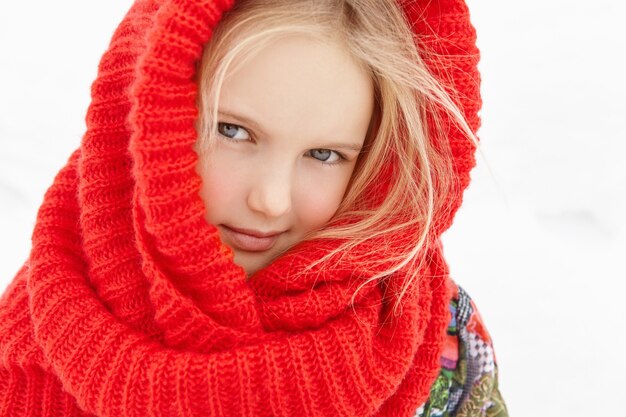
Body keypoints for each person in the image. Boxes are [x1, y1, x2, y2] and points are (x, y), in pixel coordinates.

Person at [0, 0, 507, 416]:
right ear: (148, 116)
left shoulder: (432, 333)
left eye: (323, 155)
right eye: (233, 131)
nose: (271, 199)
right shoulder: (37, 334)